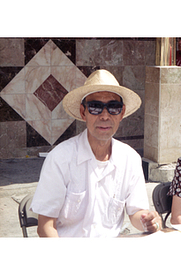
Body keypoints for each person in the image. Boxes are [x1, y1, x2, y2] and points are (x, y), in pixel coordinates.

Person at [30, 69, 162, 237]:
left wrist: (148, 221)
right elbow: (45, 226)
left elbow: (137, 214)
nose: (105, 116)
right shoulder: (60, 158)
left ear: (121, 113)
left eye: (113, 108)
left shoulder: (130, 158)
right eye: (95, 107)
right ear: (83, 112)